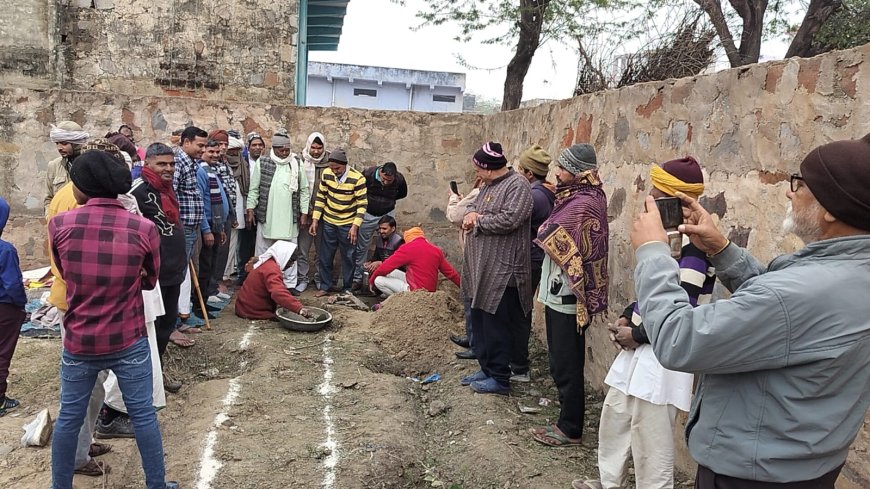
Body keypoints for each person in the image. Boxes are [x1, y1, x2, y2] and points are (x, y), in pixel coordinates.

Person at [627, 135, 870, 488]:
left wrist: (651, 253)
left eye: (799, 185)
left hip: (750, 475)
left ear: (830, 208)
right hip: (807, 467)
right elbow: (785, 318)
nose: (790, 193)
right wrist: (722, 249)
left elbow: (678, 339)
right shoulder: (852, 272)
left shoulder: (800, 292)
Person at [573, 157, 711, 489]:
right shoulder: (667, 236)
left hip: (664, 356)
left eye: (656, 193)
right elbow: (654, 290)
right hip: (643, 345)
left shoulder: (695, 245)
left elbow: (683, 305)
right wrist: (628, 313)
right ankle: (610, 484)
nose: (648, 197)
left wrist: (635, 333)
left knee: (651, 441)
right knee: (616, 418)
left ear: (673, 199)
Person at [48, 150, 177, 489]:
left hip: (79, 340)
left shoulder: (59, 225)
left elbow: (64, 273)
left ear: (84, 187)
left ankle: (59, 485)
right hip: (128, 338)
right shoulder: (143, 228)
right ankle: (157, 485)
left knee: (69, 419)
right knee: (144, 415)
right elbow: (149, 280)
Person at [46, 139, 127, 477]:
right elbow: (72, 260)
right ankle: (76, 456)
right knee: (83, 385)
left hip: (79, 298)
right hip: (79, 301)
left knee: (92, 383)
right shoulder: (73, 201)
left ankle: (83, 441)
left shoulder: (77, 195)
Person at [528, 144, 609, 445]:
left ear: (576, 171)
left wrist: (546, 225)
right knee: (560, 358)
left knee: (566, 361)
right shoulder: (575, 196)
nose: (557, 173)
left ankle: (570, 427)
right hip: (558, 289)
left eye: (562, 168)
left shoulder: (584, 201)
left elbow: (549, 229)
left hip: (568, 295)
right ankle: (566, 420)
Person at [459, 142, 533, 395]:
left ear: (489, 169)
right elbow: (472, 206)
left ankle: (501, 378)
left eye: (478, 169)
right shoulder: (487, 185)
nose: (476, 174)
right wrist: (470, 213)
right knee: (480, 322)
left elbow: (511, 219)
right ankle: (487, 367)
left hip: (502, 271)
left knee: (496, 325)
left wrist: (478, 221)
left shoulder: (518, 186)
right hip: (480, 268)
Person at [129, 143, 188, 393]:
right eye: (162, 164)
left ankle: (157, 373)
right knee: (148, 328)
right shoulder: (136, 192)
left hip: (173, 268)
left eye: (172, 164)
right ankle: (143, 381)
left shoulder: (167, 188)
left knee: (167, 324)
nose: (169, 169)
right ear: (148, 164)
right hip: (151, 274)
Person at [246, 131, 310, 289]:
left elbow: (304, 190)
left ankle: (288, 285)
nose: (285, 152)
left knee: (290, 253)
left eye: (287, 149)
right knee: (263, 252)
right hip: (267, 216)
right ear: (273, 148)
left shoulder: (296, 162)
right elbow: (254, 189)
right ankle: (260, 283)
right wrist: (250, 209)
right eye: (281, 150)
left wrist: (304, 213)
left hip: (289, 217)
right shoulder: (264, 162)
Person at [513, 144, 556, 381]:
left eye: (521, 169)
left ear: (529, 173)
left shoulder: (535, 196)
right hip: (535, 259)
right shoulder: (545, 192)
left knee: (519, 310)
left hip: (530, 259)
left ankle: (519, 366)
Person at [309, 149, 368, 297]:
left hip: (348, 224)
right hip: (329, 221)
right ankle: (325, 286)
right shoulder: (327, 174)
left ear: (345, 165)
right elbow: (321, 197)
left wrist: (355, 227)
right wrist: (315, 220)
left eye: (338, 168)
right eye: (332, 168)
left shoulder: (358, 178)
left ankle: (347, 288)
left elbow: (362, 205)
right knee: (325, 255)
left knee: (348, 256)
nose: (335, 171)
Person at [352, 161, 408, 290]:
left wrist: (387, 202)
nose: (386, 183)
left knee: (392, 244)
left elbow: (402, 194)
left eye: (390, 180)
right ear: (380, 172)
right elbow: (358, 190)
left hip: (387, 213)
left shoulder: (399, 179)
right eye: (384, 179)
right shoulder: (368, 174)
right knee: (362, 247)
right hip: (368, 213)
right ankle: (358, 279)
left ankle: (390, 278)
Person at [174, 126, 208, 333]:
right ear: (186, 142)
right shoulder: (178, 162)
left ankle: (181, 317)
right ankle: (176, 322)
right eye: (200, 145)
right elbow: (172, 195)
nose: (202, 150)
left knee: (184, 273)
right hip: (182, 228)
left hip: (191, 228)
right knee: (178, 275)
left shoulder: (192, 163)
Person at [446, 177, 482, 359]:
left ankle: (476, 343)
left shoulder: (480, 193)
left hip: (476, 256)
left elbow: (454, 215)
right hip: (475, 255)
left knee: (473, 300)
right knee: (470, 300)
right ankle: (472, 338)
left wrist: (453, 199)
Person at [368, 226, 459, 299]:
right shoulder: (436, 250)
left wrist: (371, 280)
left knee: (378, 280)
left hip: (416, 293)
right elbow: (451, 274)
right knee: (391, 272)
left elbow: (385, 267)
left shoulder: (407, 248)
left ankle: (399, 301)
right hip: (430, 291)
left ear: (408, 239)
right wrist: (463, 286)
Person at [194, 140, 230, 315]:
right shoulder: (201, 171)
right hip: (207, 226)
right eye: (211, 152)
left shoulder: (212, 170)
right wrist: (206, 229)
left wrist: (220, 227)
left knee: (212, 265)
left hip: (216, 226)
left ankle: (208, 297)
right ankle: (198, 305)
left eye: (217, 152)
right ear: (203, 152)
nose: (215, 155)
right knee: (205, 266)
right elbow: (200, 202)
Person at [235, 241, 314, 320]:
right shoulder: (271, 269)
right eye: (291, 260)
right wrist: (299, 308)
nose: (292, 265)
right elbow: (278, 292)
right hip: (252, 311)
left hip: (244, 306)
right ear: (284, 257)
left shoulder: (267, 262)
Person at [0, 197, 26, 418]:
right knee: (2, 353)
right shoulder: (5, 250)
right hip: (5, 309)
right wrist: (21, 306)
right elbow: (13, 285)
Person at [296, 132, 330, 293]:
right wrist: (303, 211)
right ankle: (302, 278)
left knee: (321, 250)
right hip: (304, 214)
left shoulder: (330, 163)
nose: (316, 152)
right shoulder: (300, 160)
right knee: (303, 249)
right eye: (313, 147)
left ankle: (319, 278)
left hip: (324, 215)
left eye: (319, 148)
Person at [236, 132, 265, 285]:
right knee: (245, 243)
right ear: (248, 147)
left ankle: (259, 274)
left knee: (260, 243)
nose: (257, 148)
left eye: (260, 145)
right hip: (246, 206)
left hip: (263, 207)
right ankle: (243, 274)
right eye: (254, 145)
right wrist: (248, 208)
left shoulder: (267, 163)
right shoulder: (244, 163)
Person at [45, 121, 89, 213]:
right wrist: (49, 216)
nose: (59, 148)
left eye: (64, 143)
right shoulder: (54, 166)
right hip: (59, 221)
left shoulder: (90, 165)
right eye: (57, 143)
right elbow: (48, 198)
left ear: (76, 143)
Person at [223, 132, 248, 281]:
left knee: (234, 242)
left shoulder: (243, 164)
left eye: (236, 151)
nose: (233, 154)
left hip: (239, 208)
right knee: (224, 243)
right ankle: (222, 276)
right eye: (231, 151)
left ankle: (226, 274)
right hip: (224, 210)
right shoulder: (221, 165)